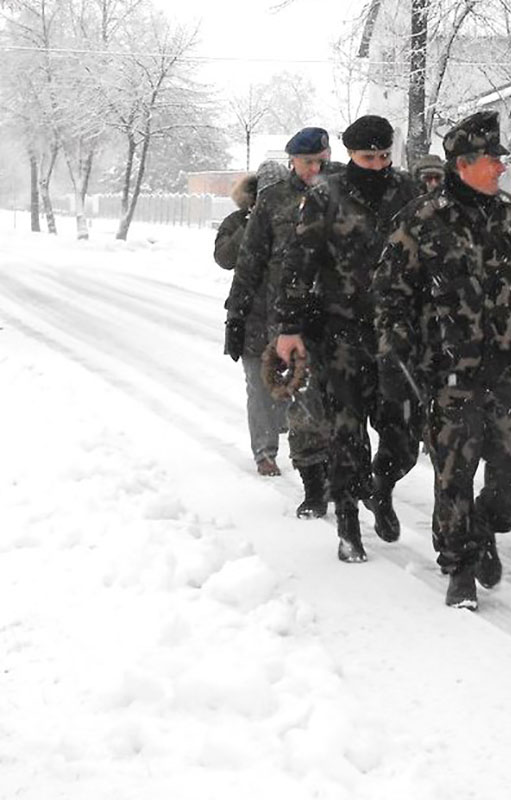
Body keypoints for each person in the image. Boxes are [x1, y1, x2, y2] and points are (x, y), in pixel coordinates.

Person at [374, 110, 511, 610]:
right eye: (493, 159)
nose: (500, 168)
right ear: (464, 163)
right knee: (454, 472)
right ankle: (460, 567)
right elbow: (390, 296)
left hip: (510, 370)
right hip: (449, 373)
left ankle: (484, 527)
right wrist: (397, 359)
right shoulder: (421, 220)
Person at [274, 114, 424, 563]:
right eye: (367, 157)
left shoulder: (410, 193)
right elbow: (299, 263)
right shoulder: (326, 196)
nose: (377, 165)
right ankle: (348, 523)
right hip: (341, 329)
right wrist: (289, 327)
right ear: (350, 154)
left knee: (402, 432)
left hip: (398, 333)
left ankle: (381, 486)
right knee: (346, 431)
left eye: (383, 156)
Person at [224, 128, 335, 517]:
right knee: (300, 401)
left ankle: (341, 475)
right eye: (308, 162)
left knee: (339, 403)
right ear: (293, 161)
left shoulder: (342, 192)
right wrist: (235, 315)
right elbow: (249, 261)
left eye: (322, 160)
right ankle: (311, 482)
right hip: (286, 320)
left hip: (338, 317)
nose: (316, 169)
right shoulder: (274, 201)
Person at [215, 163, 290, 477]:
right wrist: (253, 222)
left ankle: (293, 437)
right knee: (258, 389)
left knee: (292, 387)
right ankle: (264, 453)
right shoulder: (237, 222)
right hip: (251, 316)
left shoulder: (298, 219)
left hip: (292, 316)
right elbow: (224, 258)